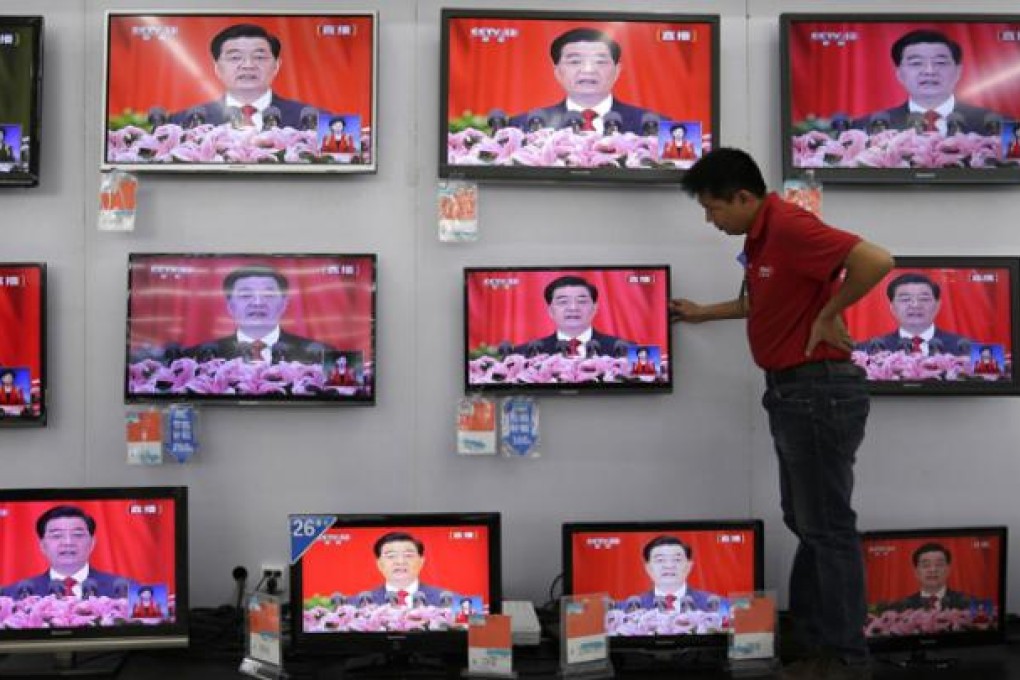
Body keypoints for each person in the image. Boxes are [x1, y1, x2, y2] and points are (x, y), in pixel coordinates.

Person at [671, 147, 893, 680]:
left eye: (713, 209)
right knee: (809, 522)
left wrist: (830, 313)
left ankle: (844, 658)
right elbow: (764, 301)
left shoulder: (789, 225)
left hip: (817, 392)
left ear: (743, 197)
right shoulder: (761, 236)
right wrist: (704, 313)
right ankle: (814, 641)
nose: (710, 220)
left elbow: (877, 260)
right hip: (797, 394)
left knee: (828, 529)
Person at [507, 28, 662, 135]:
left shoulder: (658, 126)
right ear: (557, 71)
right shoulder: (521, 126)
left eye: (600, 62)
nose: (588, 70)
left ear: (617, 71)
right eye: (575, 62)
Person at [169, 23, 319, 130]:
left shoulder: (316, 120)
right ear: (217, 68)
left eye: (259, 57)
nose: (248, 65)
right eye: (235, 58)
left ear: (276, 66)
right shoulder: (182, 123)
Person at [852, 29, 1001, 135]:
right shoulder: (864, 128)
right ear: (899, 74)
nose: (929, 71)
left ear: (958, 71)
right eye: (916, 63)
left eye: (940, 63)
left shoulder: (998, 126)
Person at [184, 265, 334, 364]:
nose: (257, 303)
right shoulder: (198, 356)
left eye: (268, 295)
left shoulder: (319, 353)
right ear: (230, 306)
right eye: (246, 295)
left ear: (284, 304)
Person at [0, 505, 134, 599]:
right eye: (57, 536)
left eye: (77, 535)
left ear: (92, 543)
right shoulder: (12, 595)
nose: (68, 542)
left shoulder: (128, 591)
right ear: (42, 545)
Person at [512, 275, 634, 358]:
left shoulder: (631, 350)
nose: (573, 308)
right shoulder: (522, 354)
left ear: (595, 308)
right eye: (563, 302)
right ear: (550, 311)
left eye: (581, 301)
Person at [856, 272, 970, 356]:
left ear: (937, 305)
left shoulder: (969, 349)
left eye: (924, 299)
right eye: (905, 299)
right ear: (892, 307)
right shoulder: (867, 351)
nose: (915, 305)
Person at [626, 535, 720, 611]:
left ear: (689, 566)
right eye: (660, 560)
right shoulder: (627, 608)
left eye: (676, 559)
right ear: (648, 568)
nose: (669, 566)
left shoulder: (718, 605)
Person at [367, 532, 456, 607]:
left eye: (408, 555)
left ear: (421, 562)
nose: (400, 562)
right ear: (379, 564)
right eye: (391, 556)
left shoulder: (453, 602)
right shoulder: (360, 604)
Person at [888, 543, 975, 612]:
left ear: (948, 570)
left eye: (939, 564)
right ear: (916, 572)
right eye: (926, 565)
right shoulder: (901, 607)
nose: (933, 570)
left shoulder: (968, 603)